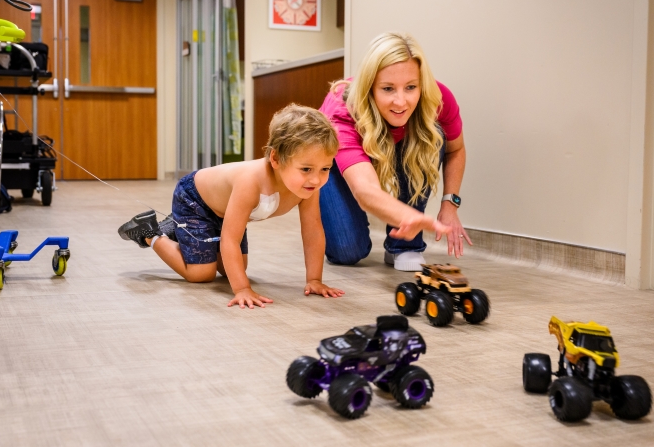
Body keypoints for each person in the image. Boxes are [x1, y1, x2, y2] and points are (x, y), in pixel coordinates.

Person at [118, 104, 345, 309]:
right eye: (306, 169)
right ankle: (150, 233)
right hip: (195, 200)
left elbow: (313, 230)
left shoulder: (308, 188)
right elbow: (230, 239)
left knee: (232, 270)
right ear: (275, 159)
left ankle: (178, 229)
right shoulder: (251, 182)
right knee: (201, 273)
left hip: (225, 210)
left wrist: (314, 280)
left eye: (325, 169)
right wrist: (242, 289)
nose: (316, 180)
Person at [319, 32, 465, 271]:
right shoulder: (343, 109)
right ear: (370, 88)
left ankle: (404, 245)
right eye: (387, 89)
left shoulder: (437, 98)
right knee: (348, 251)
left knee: (434, 134)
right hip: (335, 164)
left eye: (410, 87)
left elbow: (455, 149)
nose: (401, 101)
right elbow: (365, 189)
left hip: (397, 148)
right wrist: (407, 216)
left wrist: (450, 206)